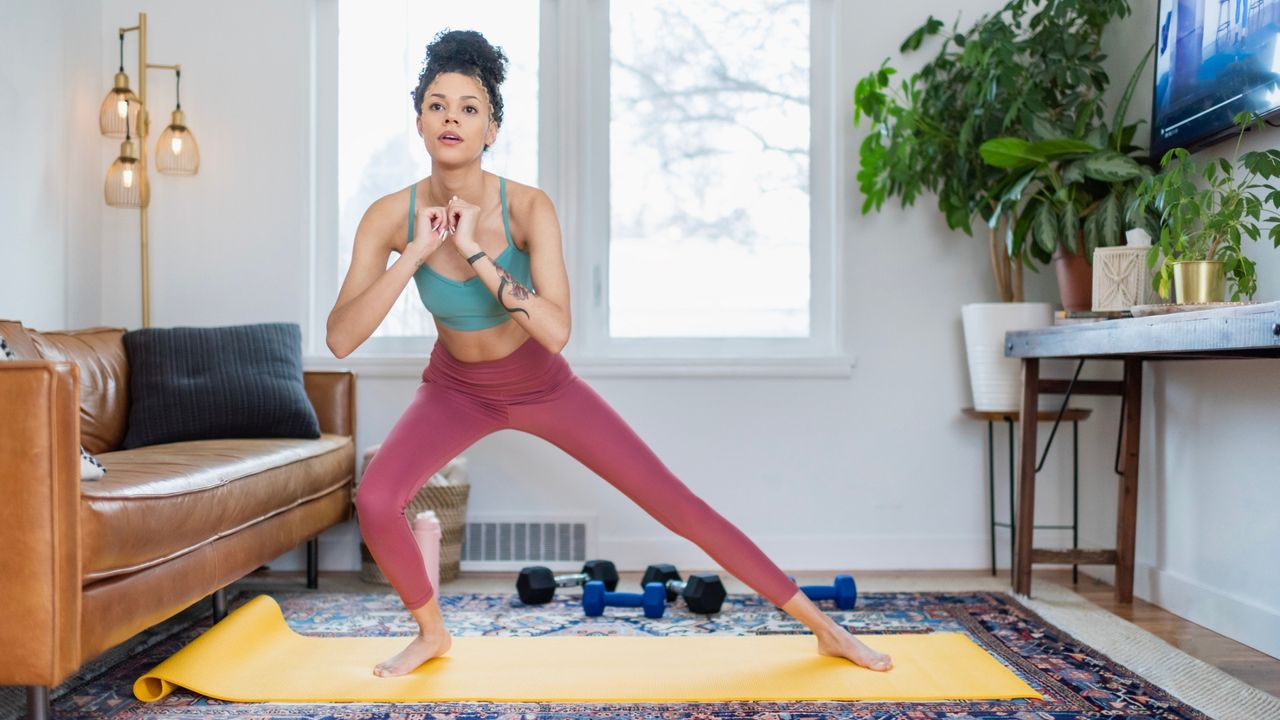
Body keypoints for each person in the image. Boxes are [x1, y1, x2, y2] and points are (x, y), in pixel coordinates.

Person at [326, 29, 892, 679]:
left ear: (492, 129)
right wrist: (419, 254)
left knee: (677, 505)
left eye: (470, 107)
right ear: (420, 121)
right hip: (454, 388)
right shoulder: (387, 218)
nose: (452, 116)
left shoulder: (530, 208)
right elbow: (342, 337)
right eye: (437, 104)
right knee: (375, 499)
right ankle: (431, 634)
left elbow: (556, 330)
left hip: (542, 384)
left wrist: (478, 253)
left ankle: (826, 629)